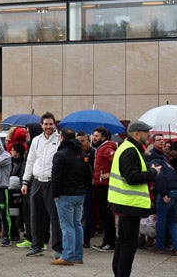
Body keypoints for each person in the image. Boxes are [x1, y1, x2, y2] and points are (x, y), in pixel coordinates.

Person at [108, 121, 160, 277]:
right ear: (137, 133)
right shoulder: (130, 150)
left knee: (123, 241)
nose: (149, 136)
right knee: (128, 243)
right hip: (129, 204)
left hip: (125, 203)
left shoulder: (128, 148)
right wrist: (152, 173)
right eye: (146, 132)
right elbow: (131, 177)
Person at [22, 113, 62, 258]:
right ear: (41, 125)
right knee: (36, 216)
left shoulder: (59, 139)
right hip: (37, 182)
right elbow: (30, 161)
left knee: (55, 217)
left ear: (54, 124)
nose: (48, 127)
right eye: (45, 124)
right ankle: (37, 245)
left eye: (50, 124)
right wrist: (25, 181)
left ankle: (58, 248)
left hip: (52, 183)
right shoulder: (36, 140)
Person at [51, 128, 92, 265]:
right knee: (77, 224)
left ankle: (67, 256)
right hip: (79, 193)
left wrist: (55, 194)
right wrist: (83, 188)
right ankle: (78, 256)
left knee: (67, 226)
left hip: (65, 194)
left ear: (62, 138)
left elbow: (56, 177)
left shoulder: (60, 155)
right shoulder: (82, 154)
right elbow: (89, 176)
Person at [149, 137, 177, 255]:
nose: (161, 141)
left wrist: (163, 193)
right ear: (153, 142)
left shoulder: (155, 159)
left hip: (168, 192)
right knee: (172, 220)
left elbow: (158, 177)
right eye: (158, 139)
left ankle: (160, 246)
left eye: (163, 139)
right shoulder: (164, 159)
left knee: (162, 220)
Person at [91, 127, 118, 252]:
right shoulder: (101, 147)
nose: (94, 138)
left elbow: (117, 161)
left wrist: (111, 174)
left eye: (96, 135)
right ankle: (107, 241)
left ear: (103, 137)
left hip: (105, 185)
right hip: (100, 184)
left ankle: (110, 242)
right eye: (93, 135)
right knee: (104, 214)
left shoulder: (106, 148)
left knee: (107, 215)